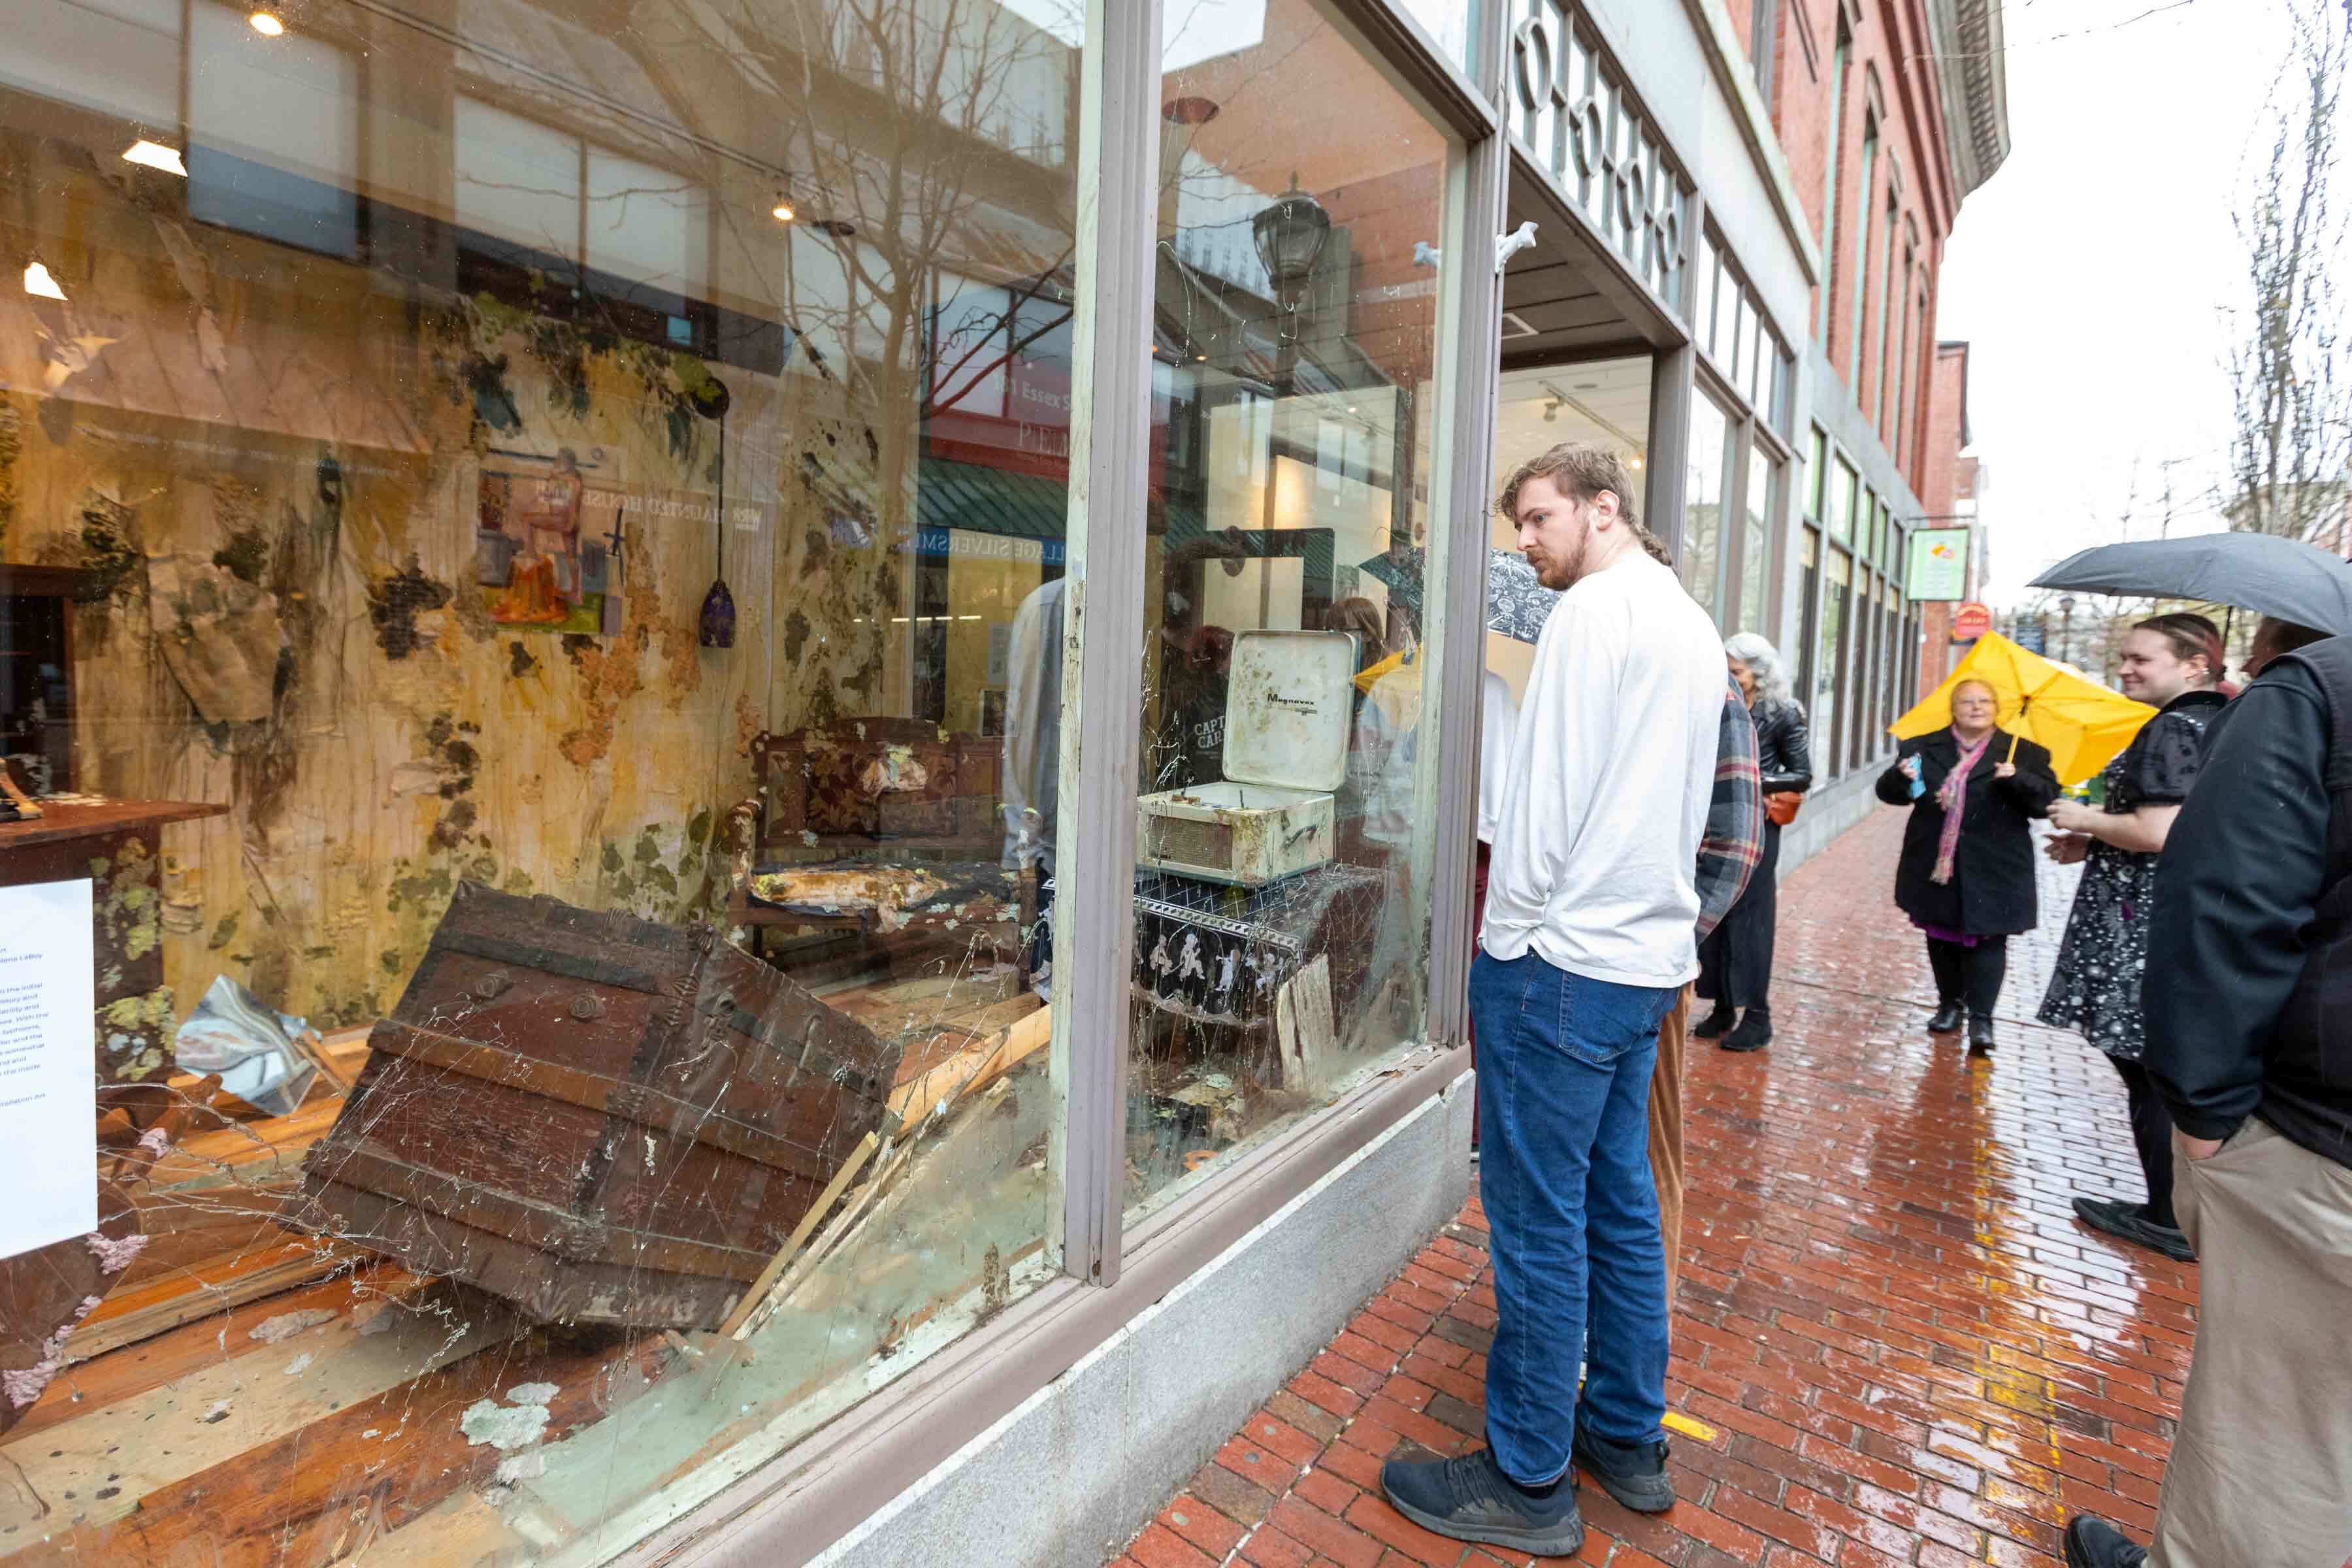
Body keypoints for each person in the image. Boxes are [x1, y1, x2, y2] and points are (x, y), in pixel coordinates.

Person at [1381, 444, 1723, 1558]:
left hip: (1562, 963)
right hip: (1641, 968)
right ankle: (1626, 1436)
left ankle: (1527, 1475)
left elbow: (1542, 804)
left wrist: (1503, 941)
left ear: (1601, 509)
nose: (1525, 544)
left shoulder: (1592, 619)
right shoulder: (1688, 623)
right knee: (1618, 1204)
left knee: (1537, 1221)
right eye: (1519, 524)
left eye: (1537, 520)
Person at [2063, 634, 2352, 1568]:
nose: (2126, 670)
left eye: (2141, 656)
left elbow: (2221, 901)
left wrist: (2206, 1118)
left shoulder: (2308, 694)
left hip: (2317, 1142)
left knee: (2278, 1433)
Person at [2036, 615, 2227, 1264]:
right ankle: (2178, 1207)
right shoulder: (2215, 722)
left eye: (2141, 659)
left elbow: (2157, 831)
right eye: (2124, 657)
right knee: (2153, 1068)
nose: (2126, 668)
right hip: (2172, 914)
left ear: (2195, 663)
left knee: (2146, 1070)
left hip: (2136, 924)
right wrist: (2094, 839)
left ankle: (2167, 1214)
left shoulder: (2172, 727)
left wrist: (2083, 815)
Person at [1874, 678, 2060, 1054]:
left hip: (1996, 865)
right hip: (1935, 862)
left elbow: (2045, 803)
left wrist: (2018, 779)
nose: (1976, 707)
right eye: (1967, 702)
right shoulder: (1922, 747)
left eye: (1984, 701)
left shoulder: (2023, 752)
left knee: (1990, 940)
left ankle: (1982, 1019)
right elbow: (1892, 795)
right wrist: (1900, 778)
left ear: (1997, 708)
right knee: (1940, 937)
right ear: (1953, 709)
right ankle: (1949, 1005)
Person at [1653, 674, 1763, 1307]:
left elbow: (1738, 843)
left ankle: (1642, 1323)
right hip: (1585, 964)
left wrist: (1670, 937)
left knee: (1650, 1152)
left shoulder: (1709, 692)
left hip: (1654, 970)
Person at [1694, 634, 1810, 1053]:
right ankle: (1724, 1008)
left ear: (1758, 675)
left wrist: (1751, 780)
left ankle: (1758, 1016)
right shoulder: (1717, 704)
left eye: (1737, 670)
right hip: (1716, 821)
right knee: (1716, 912)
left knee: (1752, 920)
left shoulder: (1783, 714)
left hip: (1760, 824)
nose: (1730, 676)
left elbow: (1801, 774)